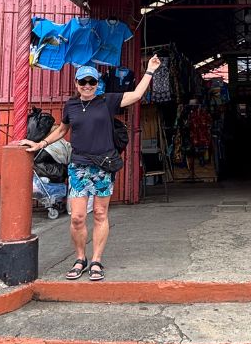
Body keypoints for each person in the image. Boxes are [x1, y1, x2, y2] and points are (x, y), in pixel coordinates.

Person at [20, 57, 162, 281]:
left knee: (99, 213)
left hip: (103, 167)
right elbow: (62, 129)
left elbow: (135, 95)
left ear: (97, 84)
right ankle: (80, 258)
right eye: (83, 82)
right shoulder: (71, 106)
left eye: (91, 82)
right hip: (78, 167)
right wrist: (40, 144)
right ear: (76, 84)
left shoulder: (107, 101)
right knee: (76, 217)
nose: (87, 86)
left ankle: (96, 260)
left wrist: (150, 71)